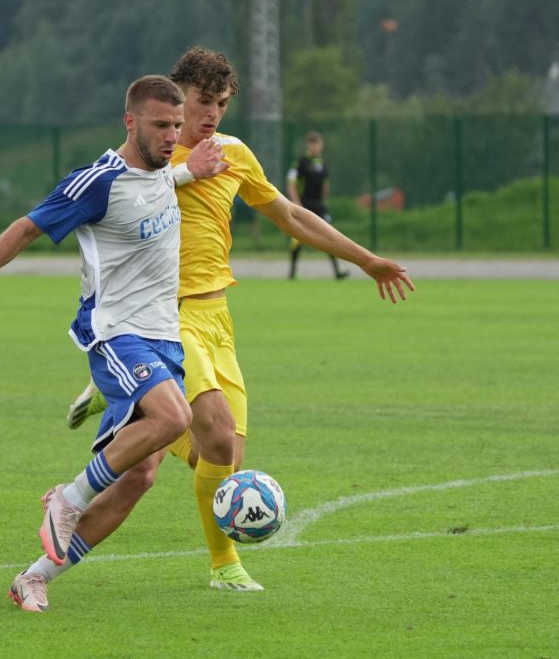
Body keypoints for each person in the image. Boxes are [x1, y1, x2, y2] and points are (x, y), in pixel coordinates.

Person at [30, 47, 413, 610]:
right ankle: (223, 562)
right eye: (203, 101)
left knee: (218, 456)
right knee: (214, 429)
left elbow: (291, 215)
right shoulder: (150, 157)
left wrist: (366, 259)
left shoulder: (234, 154)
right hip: (163, 317)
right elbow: (111, 198)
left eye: (222, 104)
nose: (211, 114)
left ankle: (48, 553)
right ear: (177, 98)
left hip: (217, 318)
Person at [0, 75, 228, 613]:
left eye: (176, 125)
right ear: (130, 121)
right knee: (175, 419)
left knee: (139, 477)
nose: (172, 136)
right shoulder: (96, 181)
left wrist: (192, 169)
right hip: (115, 332)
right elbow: (27, 227)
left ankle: (33, 578)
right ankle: (68, 497)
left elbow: (156, 186)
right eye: (160, 125)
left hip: (164, 337)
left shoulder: (163, 173)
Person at [286, 130, 350, 280]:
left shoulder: (323, 163)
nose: (315, 147)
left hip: (318, 205)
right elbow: (291, 183)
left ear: (322, 145)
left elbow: (325, 185)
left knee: (329, 234)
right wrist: (296, 203)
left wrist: (324, 202)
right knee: (297, 237)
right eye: (312, 144)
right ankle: (292, 272)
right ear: (308, 145)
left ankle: (337, 271)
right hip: (304, 204)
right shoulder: (301, 162)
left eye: (317, 143)